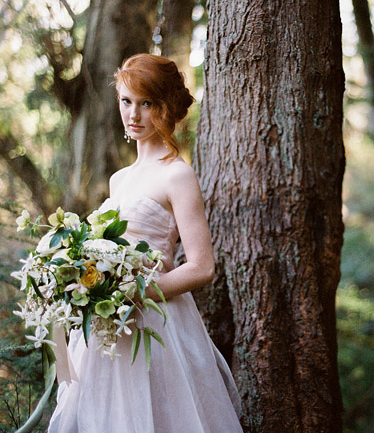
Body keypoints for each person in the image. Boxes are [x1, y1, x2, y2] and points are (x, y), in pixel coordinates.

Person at [48, 54, 243, 432]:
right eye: (126, 101)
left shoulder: (177, 175)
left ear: (165, 107)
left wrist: (134, 293)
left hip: (155, 323)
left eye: (146, 103)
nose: (133, 114)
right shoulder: (119, 181)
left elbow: (202, 266)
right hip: (107, 331)